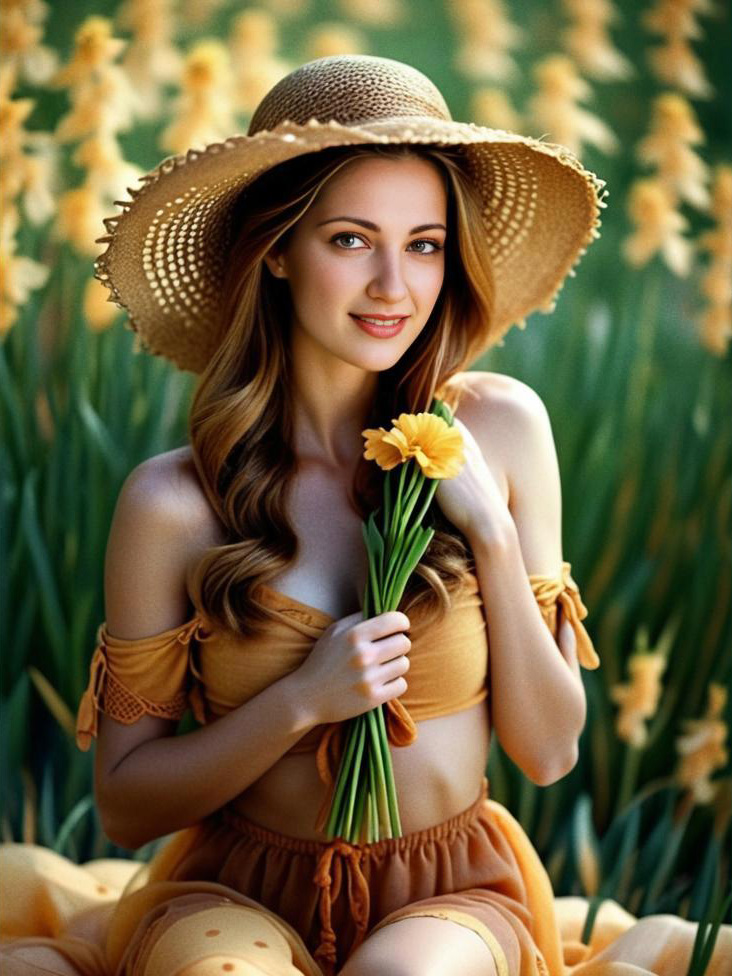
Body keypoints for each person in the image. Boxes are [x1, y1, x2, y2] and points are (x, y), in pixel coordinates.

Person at [2, 55, 729, 976]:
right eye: (351, 239)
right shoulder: (175, 503)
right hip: (235, 892)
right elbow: (126, 804)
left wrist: (493, 537)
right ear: (275, 249)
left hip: (448, 895)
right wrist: (303, 700)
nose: (395, 285)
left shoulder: (501, 430)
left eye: (424, 244)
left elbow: (549, 752)